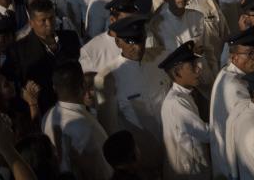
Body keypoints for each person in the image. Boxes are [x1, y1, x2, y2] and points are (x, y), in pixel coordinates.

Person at [94, 15, 169, 175]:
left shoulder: (161, 58)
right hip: (140, 163)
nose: (138, 46)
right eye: (130, 42)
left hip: (172, 153)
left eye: (140, 39)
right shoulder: (108, 77)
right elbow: (110, 128)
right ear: (118, 42)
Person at [42, 61, 113, 180]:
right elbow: (103, 170)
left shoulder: (47, 117)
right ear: (83, 85)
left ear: (54, 87)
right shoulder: (84, 126)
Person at [209, 26, 254, 179]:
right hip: (233, 163)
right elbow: (251, 126)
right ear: (234, 57)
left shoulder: (229, 73)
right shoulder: (235, 86)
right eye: (250, 54)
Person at [159, 41, 211, 180]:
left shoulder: (185, 95)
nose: (198, 70)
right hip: (188, 173)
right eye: (192, 66)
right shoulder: (177, 102)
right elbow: (205, 134)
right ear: (177, 72)